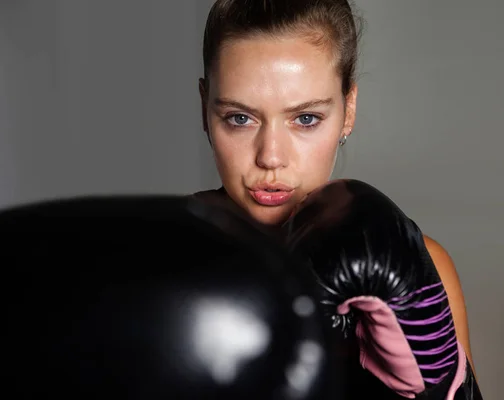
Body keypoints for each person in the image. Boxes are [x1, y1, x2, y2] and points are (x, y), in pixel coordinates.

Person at [193, 0, 477, 378]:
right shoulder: (156, 255)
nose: (271, 157)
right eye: (240, 118)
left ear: (349, 110)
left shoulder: (422, 265)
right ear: (204, 110)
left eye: (306, 118)